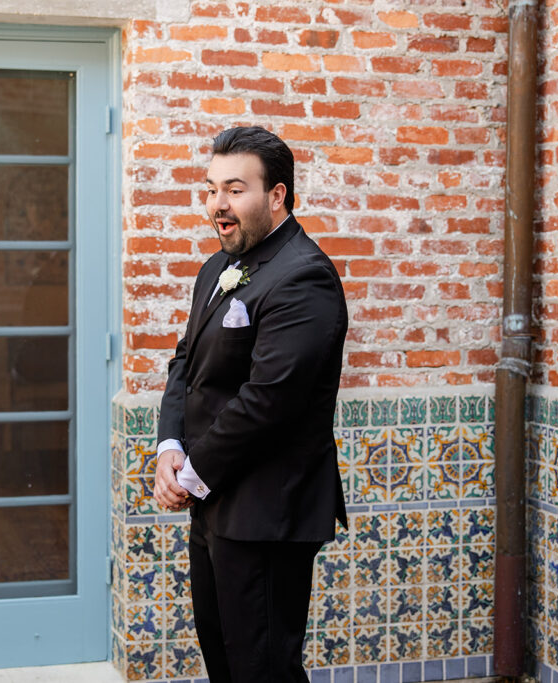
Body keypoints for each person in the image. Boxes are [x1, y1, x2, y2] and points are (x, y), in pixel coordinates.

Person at [153, 126, 348, 682]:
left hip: (268, 512)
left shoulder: (304, 277)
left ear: (277, 195)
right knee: (224, 661)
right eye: (212, 188)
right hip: (212, 501)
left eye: (235, 189)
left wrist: (190, 474)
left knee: (263, 670)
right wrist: (170, 446)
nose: (218, 204)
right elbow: (184, 364)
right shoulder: (217, 267)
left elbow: (268, 401)